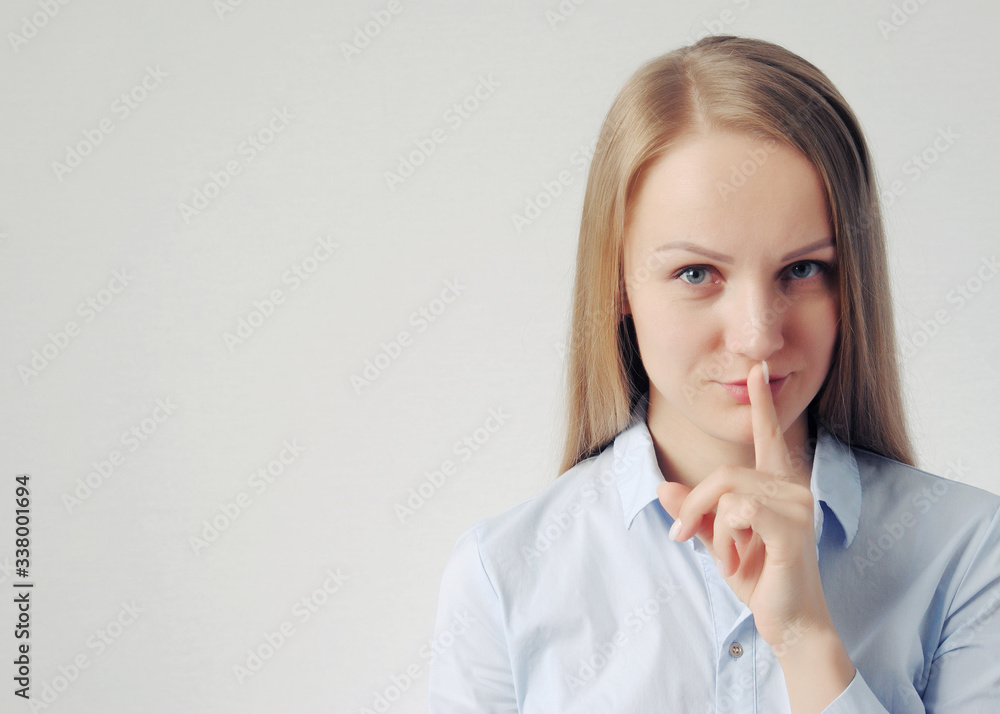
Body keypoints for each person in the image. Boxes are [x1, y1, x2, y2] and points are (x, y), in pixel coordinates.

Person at [427, 35, 1000, 713]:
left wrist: (805, 638)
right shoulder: (502, 576)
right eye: (696, 273)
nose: (758, 335)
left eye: (803, 269)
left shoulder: (967, 552)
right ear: (618, 283)